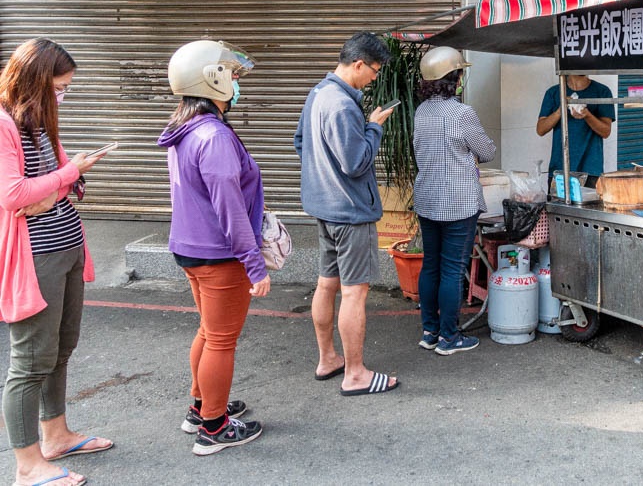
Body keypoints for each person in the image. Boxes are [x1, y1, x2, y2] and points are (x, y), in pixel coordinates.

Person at [0, 38, 113, 486]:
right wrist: (67, 175)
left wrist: (58, 186)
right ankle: (27, 465)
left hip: (65, 245)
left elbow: (51, 188)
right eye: (59, 88)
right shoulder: (4, 124)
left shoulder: (40, 121)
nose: (63, 96)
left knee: (61, 349)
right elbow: (13, 195)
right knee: (29, 362)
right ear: (33, 83)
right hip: (34, 257)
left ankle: (57, 435)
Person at [157, 40, 270, 456]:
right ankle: (215, 427)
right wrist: (254, 264)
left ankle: (202, 406)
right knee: (222, 340)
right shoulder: (214, 135)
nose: (237, 83)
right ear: (214, 79)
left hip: (191, 247)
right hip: (219, 254)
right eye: (233, 75)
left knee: (209, 331)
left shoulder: (184, 128)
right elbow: (230, 206)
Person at [295, 32, 399, 395]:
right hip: (350, 212)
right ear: (357, 64)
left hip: (323, 207)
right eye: (373, 70)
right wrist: (374, 127)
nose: (374, 78)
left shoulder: (317, 94)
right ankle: (356, 374)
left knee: (327, 284)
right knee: (355, 293)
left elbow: (300, 144)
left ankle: (328, 359)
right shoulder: (341, 104)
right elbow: (356, 163)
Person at [413, 47, 496, 355]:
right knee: (452, 268)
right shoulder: (462, 113)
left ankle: (430, 331)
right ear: (453, 78)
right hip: (458, 204)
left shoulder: (421, 112)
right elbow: (486, 152)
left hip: (426, 199)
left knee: (431, 265)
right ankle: (449, 337)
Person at [536, 75, 615, 187]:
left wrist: (587, 115)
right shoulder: (553, 93)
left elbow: (606, 131)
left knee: (590, 203)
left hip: (591, 170)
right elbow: (540, 129)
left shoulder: (602, 91)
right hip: (559, 169)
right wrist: (561, 110)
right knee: (558, 204)